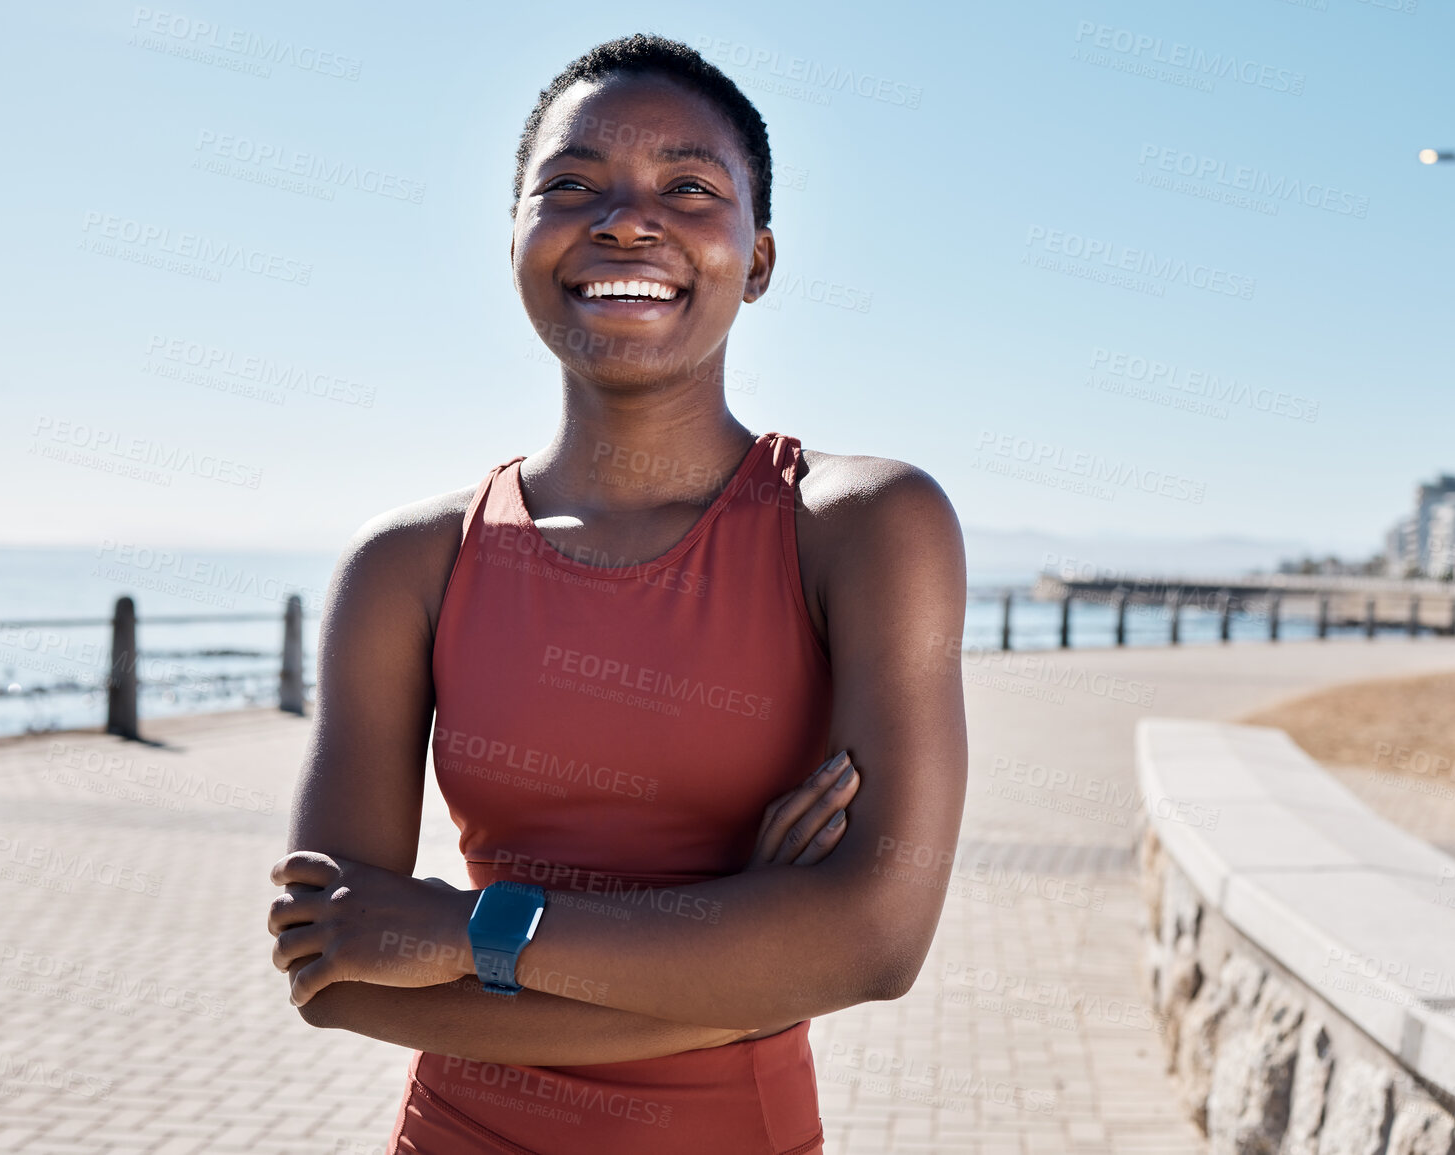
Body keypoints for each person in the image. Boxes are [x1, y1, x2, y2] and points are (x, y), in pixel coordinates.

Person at [267, 33, 968, 1155]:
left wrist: (462, 929)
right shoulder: (408, 562)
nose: (627, 220)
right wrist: (749, 972)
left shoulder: (862, 525)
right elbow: (332, 975)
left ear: (762, 257)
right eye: (572, 185)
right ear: (516, 240)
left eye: (689, 188)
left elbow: (876, 942)